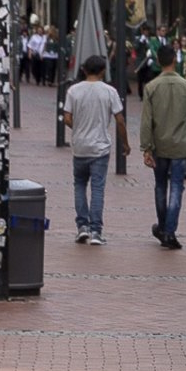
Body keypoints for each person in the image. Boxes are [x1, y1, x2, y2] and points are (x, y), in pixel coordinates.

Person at [139, 50, 186, 250]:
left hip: (159, 144)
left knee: (160, 186)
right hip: (181, 144)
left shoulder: (151, 87)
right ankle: (169, 231)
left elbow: (146, 121)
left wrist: (146, 147)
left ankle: (163, 226)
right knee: (177, 187)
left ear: (158, 61)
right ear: (175, 60)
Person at [61, 55, 128, 246]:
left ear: (84, 70)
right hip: (100, 147)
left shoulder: (73, 90)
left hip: (80, 147)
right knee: (97, 188)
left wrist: (79, 128)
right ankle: (96, 231)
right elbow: (120, 120)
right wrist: (125, 143)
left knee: (79, 185)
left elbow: (66, 117)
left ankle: (82, 226)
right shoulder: (109, 91)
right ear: (102, 71)